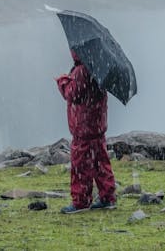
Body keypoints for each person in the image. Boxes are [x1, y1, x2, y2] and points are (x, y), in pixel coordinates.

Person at [55, 51, 116, 212]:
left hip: (83, 127)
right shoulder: (99, 67)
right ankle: (107, 197)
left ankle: (81, 202)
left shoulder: (82, 70)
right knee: (100, 163)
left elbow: (72, 94)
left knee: (80, 166)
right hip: (97, 125)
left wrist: (62, 82)